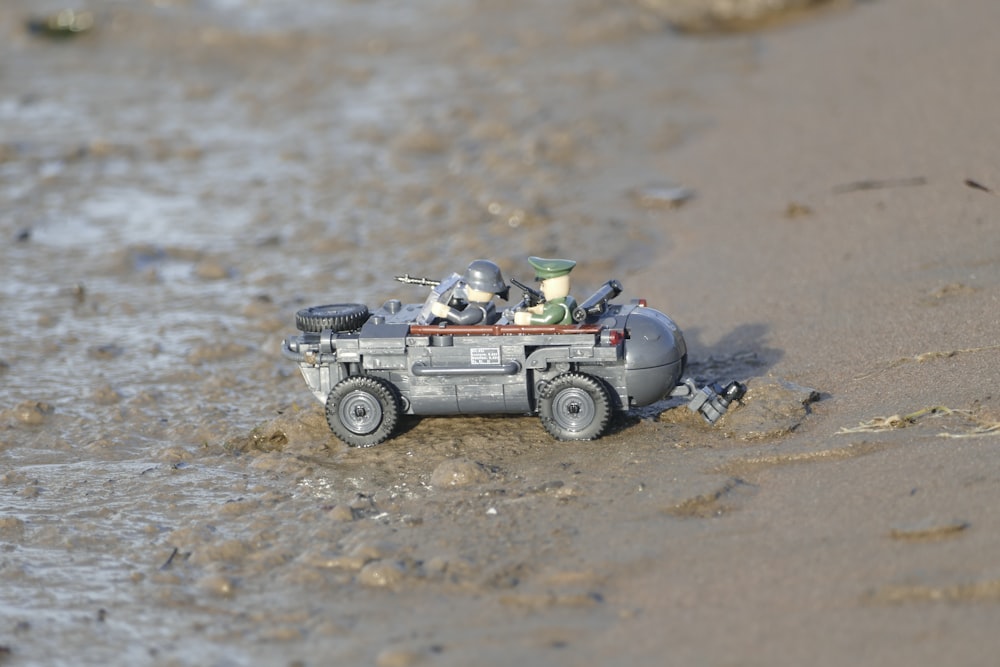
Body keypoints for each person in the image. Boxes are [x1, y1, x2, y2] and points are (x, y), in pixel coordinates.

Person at [430, 259, 508, 325]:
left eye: (469, 285)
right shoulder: (489, 305)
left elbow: (461, 318)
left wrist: (444, 311)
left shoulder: (477, 311)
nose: (466, 288)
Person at [513, 256, 577, 325]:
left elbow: (545, 320)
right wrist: (534, 309)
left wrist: (526, 319)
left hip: (558, 335)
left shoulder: (558, 308)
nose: (541, 289)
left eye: (543, 285)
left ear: (554, 287)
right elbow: (548, 308)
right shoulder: (569, 300)